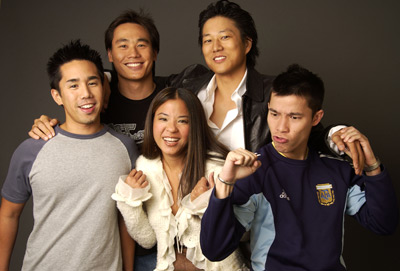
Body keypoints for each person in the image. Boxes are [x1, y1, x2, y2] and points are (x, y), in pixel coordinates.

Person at [28, 1, 365, 175]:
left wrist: (336, 133)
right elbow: (129, 79)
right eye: (207, 39)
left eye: (225, 37)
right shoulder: (188, 82)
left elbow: (305, 129)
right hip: (189, 223)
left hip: (253, 220)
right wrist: (65, 109)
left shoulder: (271, 92)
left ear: (247, 44)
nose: (215, 46)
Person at [200, 64, 399, 271]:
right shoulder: (255, 170)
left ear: (316, 118)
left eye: (294, 117)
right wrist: (225, 183)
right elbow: (214, 250)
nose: (280, 127)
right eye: (274, 113)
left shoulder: (337, 168)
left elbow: (383, 224)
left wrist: (372, 167)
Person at [0, 40, 139, 270]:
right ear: (57, 96)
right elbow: (8, 215)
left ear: (104, 87)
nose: (86, 93)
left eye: (92, 82)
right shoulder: (32, 149)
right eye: (73, 86)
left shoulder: (124, 148)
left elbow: (126, 218)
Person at [112, 87, 249, 270]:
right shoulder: (146, 167)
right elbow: (147, 240)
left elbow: (237, 236)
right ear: (152, 122)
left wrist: (206, 204)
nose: (171, 129)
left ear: (195, 126)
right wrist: (129, 200)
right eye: (163, 119)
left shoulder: (216, 170)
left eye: (182, 121)